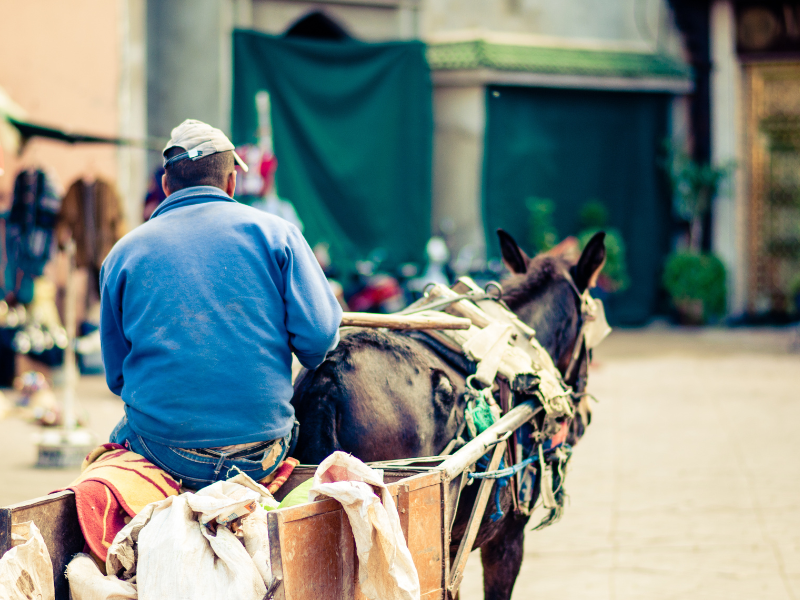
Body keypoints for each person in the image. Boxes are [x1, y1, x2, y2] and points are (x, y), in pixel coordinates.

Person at [101, 119, 342, 489]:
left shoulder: (123, 254)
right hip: (264, 453)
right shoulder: (278, 235)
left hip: (163, 452)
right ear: (231, 182)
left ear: (166, 186)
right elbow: (320, 338)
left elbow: (117, 377)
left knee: (119, 435)